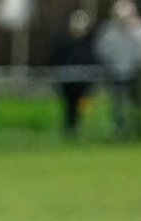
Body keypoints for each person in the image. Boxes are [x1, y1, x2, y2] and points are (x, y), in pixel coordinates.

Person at [94, 0, 141, 140]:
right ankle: (119, 133)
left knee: (138, 106)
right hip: (116, 75)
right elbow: (102, 50)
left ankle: (140, 132)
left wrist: (137, 66)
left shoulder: (140, 31)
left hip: (136, 75)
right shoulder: (109, 32)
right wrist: (112, 66)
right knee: (118, 106)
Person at [51, 9, 97, 138]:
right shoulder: (63, 42)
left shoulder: (89, 43)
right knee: (68, 108)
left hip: (84, 84)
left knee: (82, 109)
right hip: (67, 82)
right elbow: (56, 59)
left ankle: (81, 131)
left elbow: (92, 60)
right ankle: (69, 131)